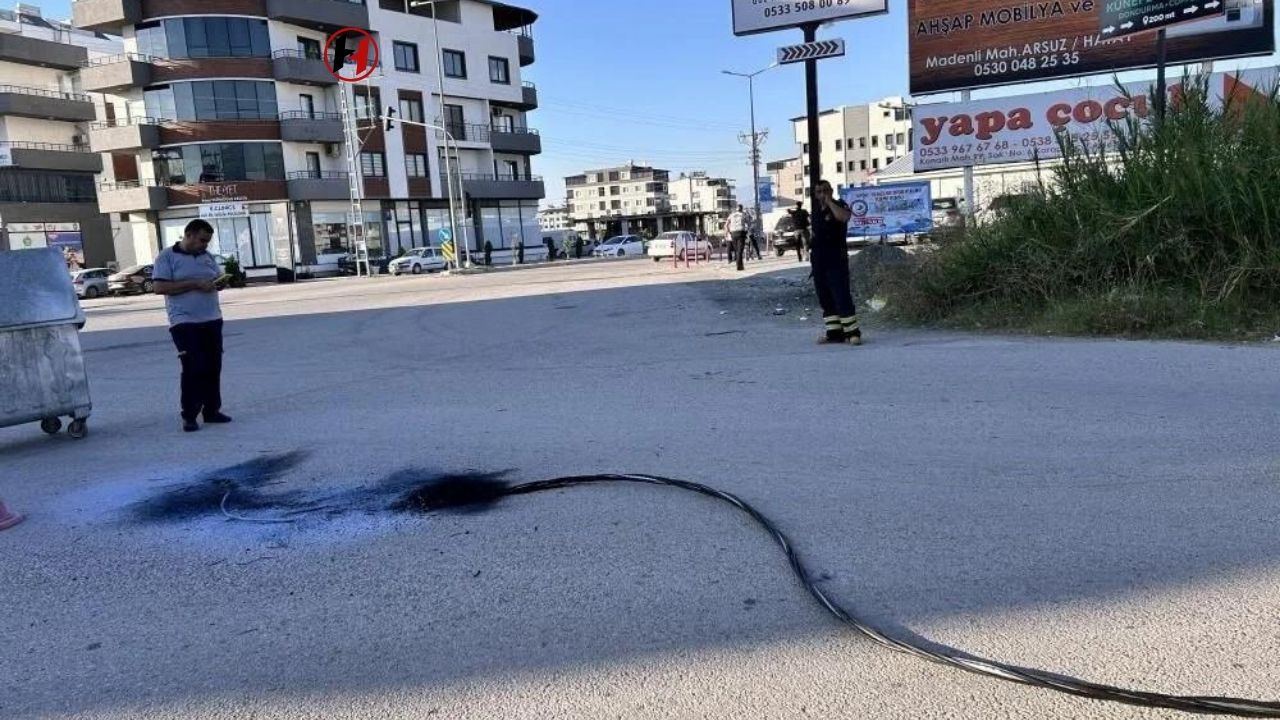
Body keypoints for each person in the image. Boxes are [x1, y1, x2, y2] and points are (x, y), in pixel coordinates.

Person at [152, 219, 233, 432]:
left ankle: (212, 410)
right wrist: (195, 284)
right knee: (193, 367)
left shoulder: (207, 257)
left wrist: (220, 283)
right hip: (184, 321)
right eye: (201, 240)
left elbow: (214, 278)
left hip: (212, 318)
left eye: (207, 241)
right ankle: (189, 415)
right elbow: (159, 287)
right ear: (188, 235)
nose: (204, 245)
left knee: (213, 367)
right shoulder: (166, 257)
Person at [810, 180, 862, 345]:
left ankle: (852, 332)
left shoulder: (839, 205)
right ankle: (834, 333)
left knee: (841, 295)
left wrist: (830, 202)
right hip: (819, 260)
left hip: (836, 259)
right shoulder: (816, 211)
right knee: (825, 297)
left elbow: (844, 217)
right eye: (818, 191)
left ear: (831, 191)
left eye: (824, 190)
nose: (821, 194)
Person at [726, 205, 748, 271]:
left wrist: (729, 232)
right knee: (740, 251)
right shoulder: (743, 215)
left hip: (733, 234)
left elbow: (726, 224)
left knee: (737, 250)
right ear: (741, 209)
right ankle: (739, 266)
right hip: (741, 233)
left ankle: (740, 266)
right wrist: (746, 232)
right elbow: (748, 224)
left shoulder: (731, 215)